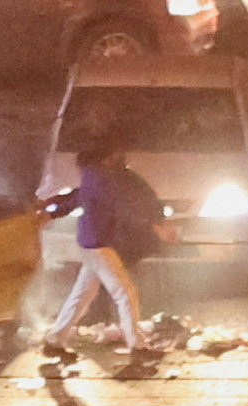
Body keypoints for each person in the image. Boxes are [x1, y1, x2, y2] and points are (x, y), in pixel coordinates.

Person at [37, 142, 163, 356]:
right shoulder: (104, 180)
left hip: (92, 242)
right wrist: (154, 225)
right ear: (106, 158)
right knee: (125, 292)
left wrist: (53, 211)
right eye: (115, 155)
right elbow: (125, 207)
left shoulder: (93, 178)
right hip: (99, 243)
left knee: (82, 295)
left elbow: (78, 197)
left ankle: (54, 341)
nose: (120, 158)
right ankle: (138, 345)